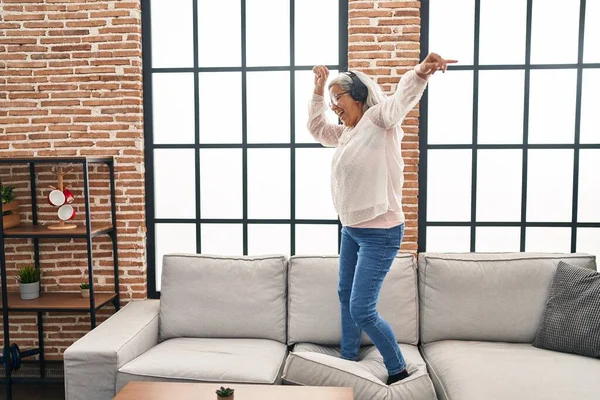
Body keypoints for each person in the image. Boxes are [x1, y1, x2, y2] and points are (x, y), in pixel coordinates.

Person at [308, 52, 456, 385]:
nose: (334, 106)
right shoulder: (346, 132)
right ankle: (348, 356)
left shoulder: (379, 120)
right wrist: (319, 91)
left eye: (338, 98)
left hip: (381, 232)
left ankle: (397, 368)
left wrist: (420, 72)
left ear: (358, 95)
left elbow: (401, 100)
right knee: (345, 294)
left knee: (361, 307)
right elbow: (317, 128)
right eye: (332, 101)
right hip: (351, 229)